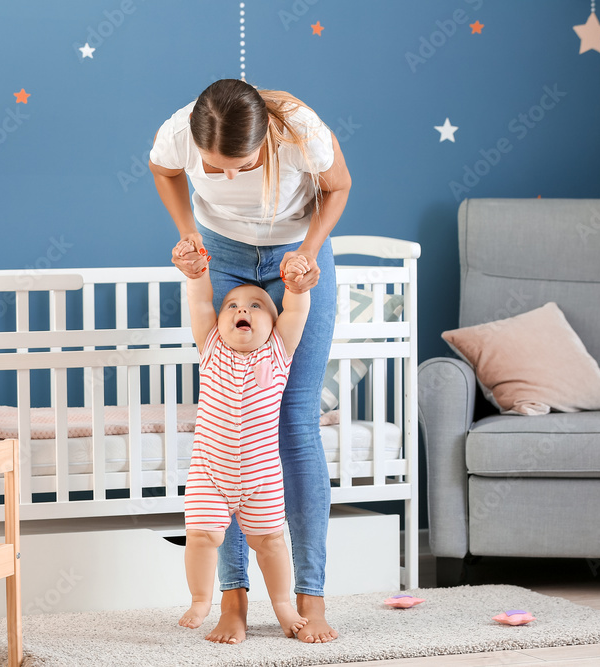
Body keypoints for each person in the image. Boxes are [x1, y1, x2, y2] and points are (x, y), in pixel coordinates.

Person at [149, 78, 351, 644]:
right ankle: (232, 600)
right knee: (226, 442)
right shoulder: (179, 131)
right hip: (223, 253)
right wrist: (188, 234)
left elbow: (338, 186)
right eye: (214, 168)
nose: (229, 177)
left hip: (295, 251)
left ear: (266, 140)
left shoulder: (300, 131)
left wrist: (308, 251)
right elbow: (163, 171)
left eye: (242, 165)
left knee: (296, 421)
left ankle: (309, 599)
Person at [177, 245, 311, 640]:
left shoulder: (278, 352)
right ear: (219, 322)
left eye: (256, 306)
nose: (243, 310)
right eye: (232, 306)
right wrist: (197, 275)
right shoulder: (211, 347)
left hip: (262, 476)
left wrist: (296, 287)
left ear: (273, 322)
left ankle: (283, 604)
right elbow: (201, 301)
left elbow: (296, 312)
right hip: (209, 473)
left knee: (270, 542)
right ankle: (201, 599)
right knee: (201, 537)